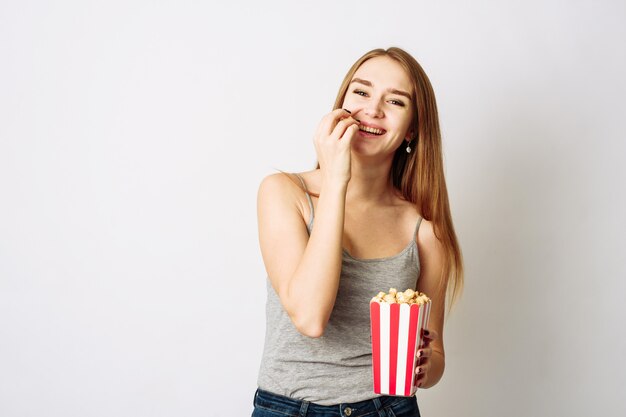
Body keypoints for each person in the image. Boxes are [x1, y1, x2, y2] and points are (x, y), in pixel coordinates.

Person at [252, 47, 464, 417]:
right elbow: (310, 317)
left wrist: (430, 365)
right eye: (362, 92)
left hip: (388, 408)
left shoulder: (425, 231)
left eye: (395, 101)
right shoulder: (284, 192)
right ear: (342, 103)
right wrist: (336, 180)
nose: (373, 109)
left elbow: (437, 353)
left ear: (412, 128)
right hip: (288, 408)